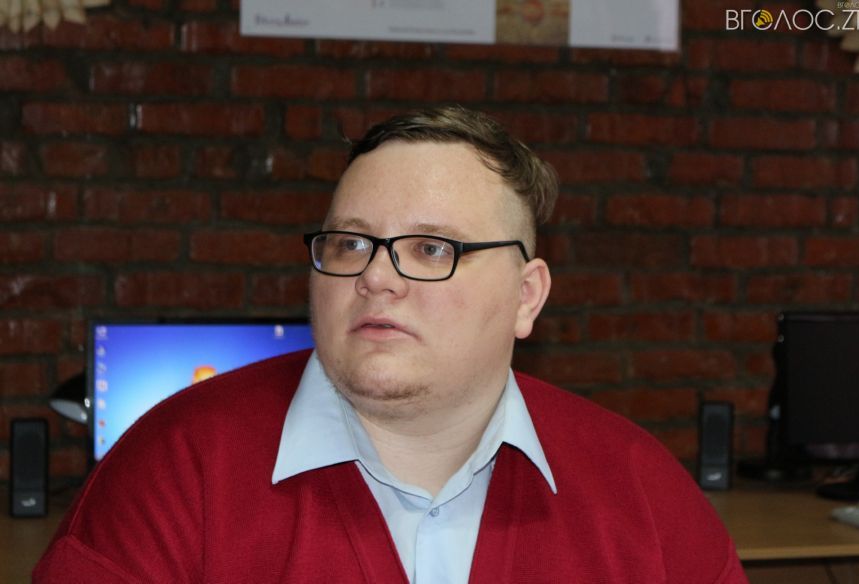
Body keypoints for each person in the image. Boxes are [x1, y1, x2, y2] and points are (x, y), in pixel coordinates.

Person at [35, 106, 747, 583]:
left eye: (432, 248)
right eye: (350, 243)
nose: (374, 276)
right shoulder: (175, 466)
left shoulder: (640, 489)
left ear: (527, 297)